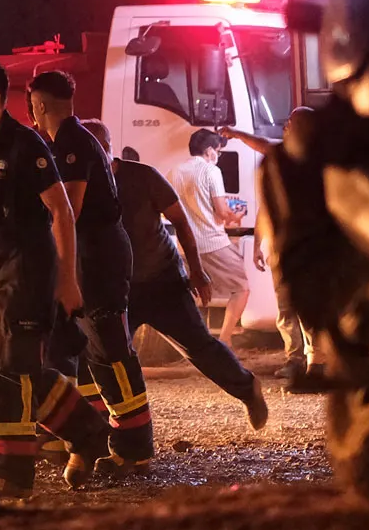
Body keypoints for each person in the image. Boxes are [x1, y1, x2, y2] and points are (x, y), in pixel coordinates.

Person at [0, 61, 107, 499]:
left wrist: (67, 281)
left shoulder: (27, 145)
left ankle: (9, 473)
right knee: (19, 368)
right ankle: (87, 432)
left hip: (27, 265)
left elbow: (62, 210)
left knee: (3, 370)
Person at [93, 124, 268, 429]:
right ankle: (104, 428)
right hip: (119, 287)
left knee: (199, 348)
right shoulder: (83, 184)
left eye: (95, 146)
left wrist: (197, 272)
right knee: (103, 355)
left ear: (107, 146)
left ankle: (247, 389)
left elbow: (181, 223)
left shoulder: (142, 175)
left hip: (163, 281)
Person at [25, 72, 153, 472]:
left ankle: (134, 448)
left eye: (32, 104)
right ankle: (118, 441)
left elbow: (71, 208)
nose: (32, 112)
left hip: (98, 257)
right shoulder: (75, 138)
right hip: (96, 254)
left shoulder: (71, 143)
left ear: (40, 104)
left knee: (112, 352)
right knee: (100, 354)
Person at [220, 115, 321, 388]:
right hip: (283, 248)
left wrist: (236, 133)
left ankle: (316, 360)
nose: (285, 127)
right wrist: (257, 245)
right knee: (287, 306)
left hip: (307, 247)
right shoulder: (282, 165)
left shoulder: (315, 159)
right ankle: (296, 359)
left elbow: (264, 144)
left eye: (290, 124)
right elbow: (267, 208)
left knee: (307, 304)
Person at [171, 129, 251, 343]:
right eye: (218, 151)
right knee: (241, 288)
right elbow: (222, 211)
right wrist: (235, 216)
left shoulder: (175, 171)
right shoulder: (210, 171)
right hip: (212, 242)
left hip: (184, 245)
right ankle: (224, 340)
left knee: (193, 295)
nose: (219, 155)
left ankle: (196, 342)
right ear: (209, 151)